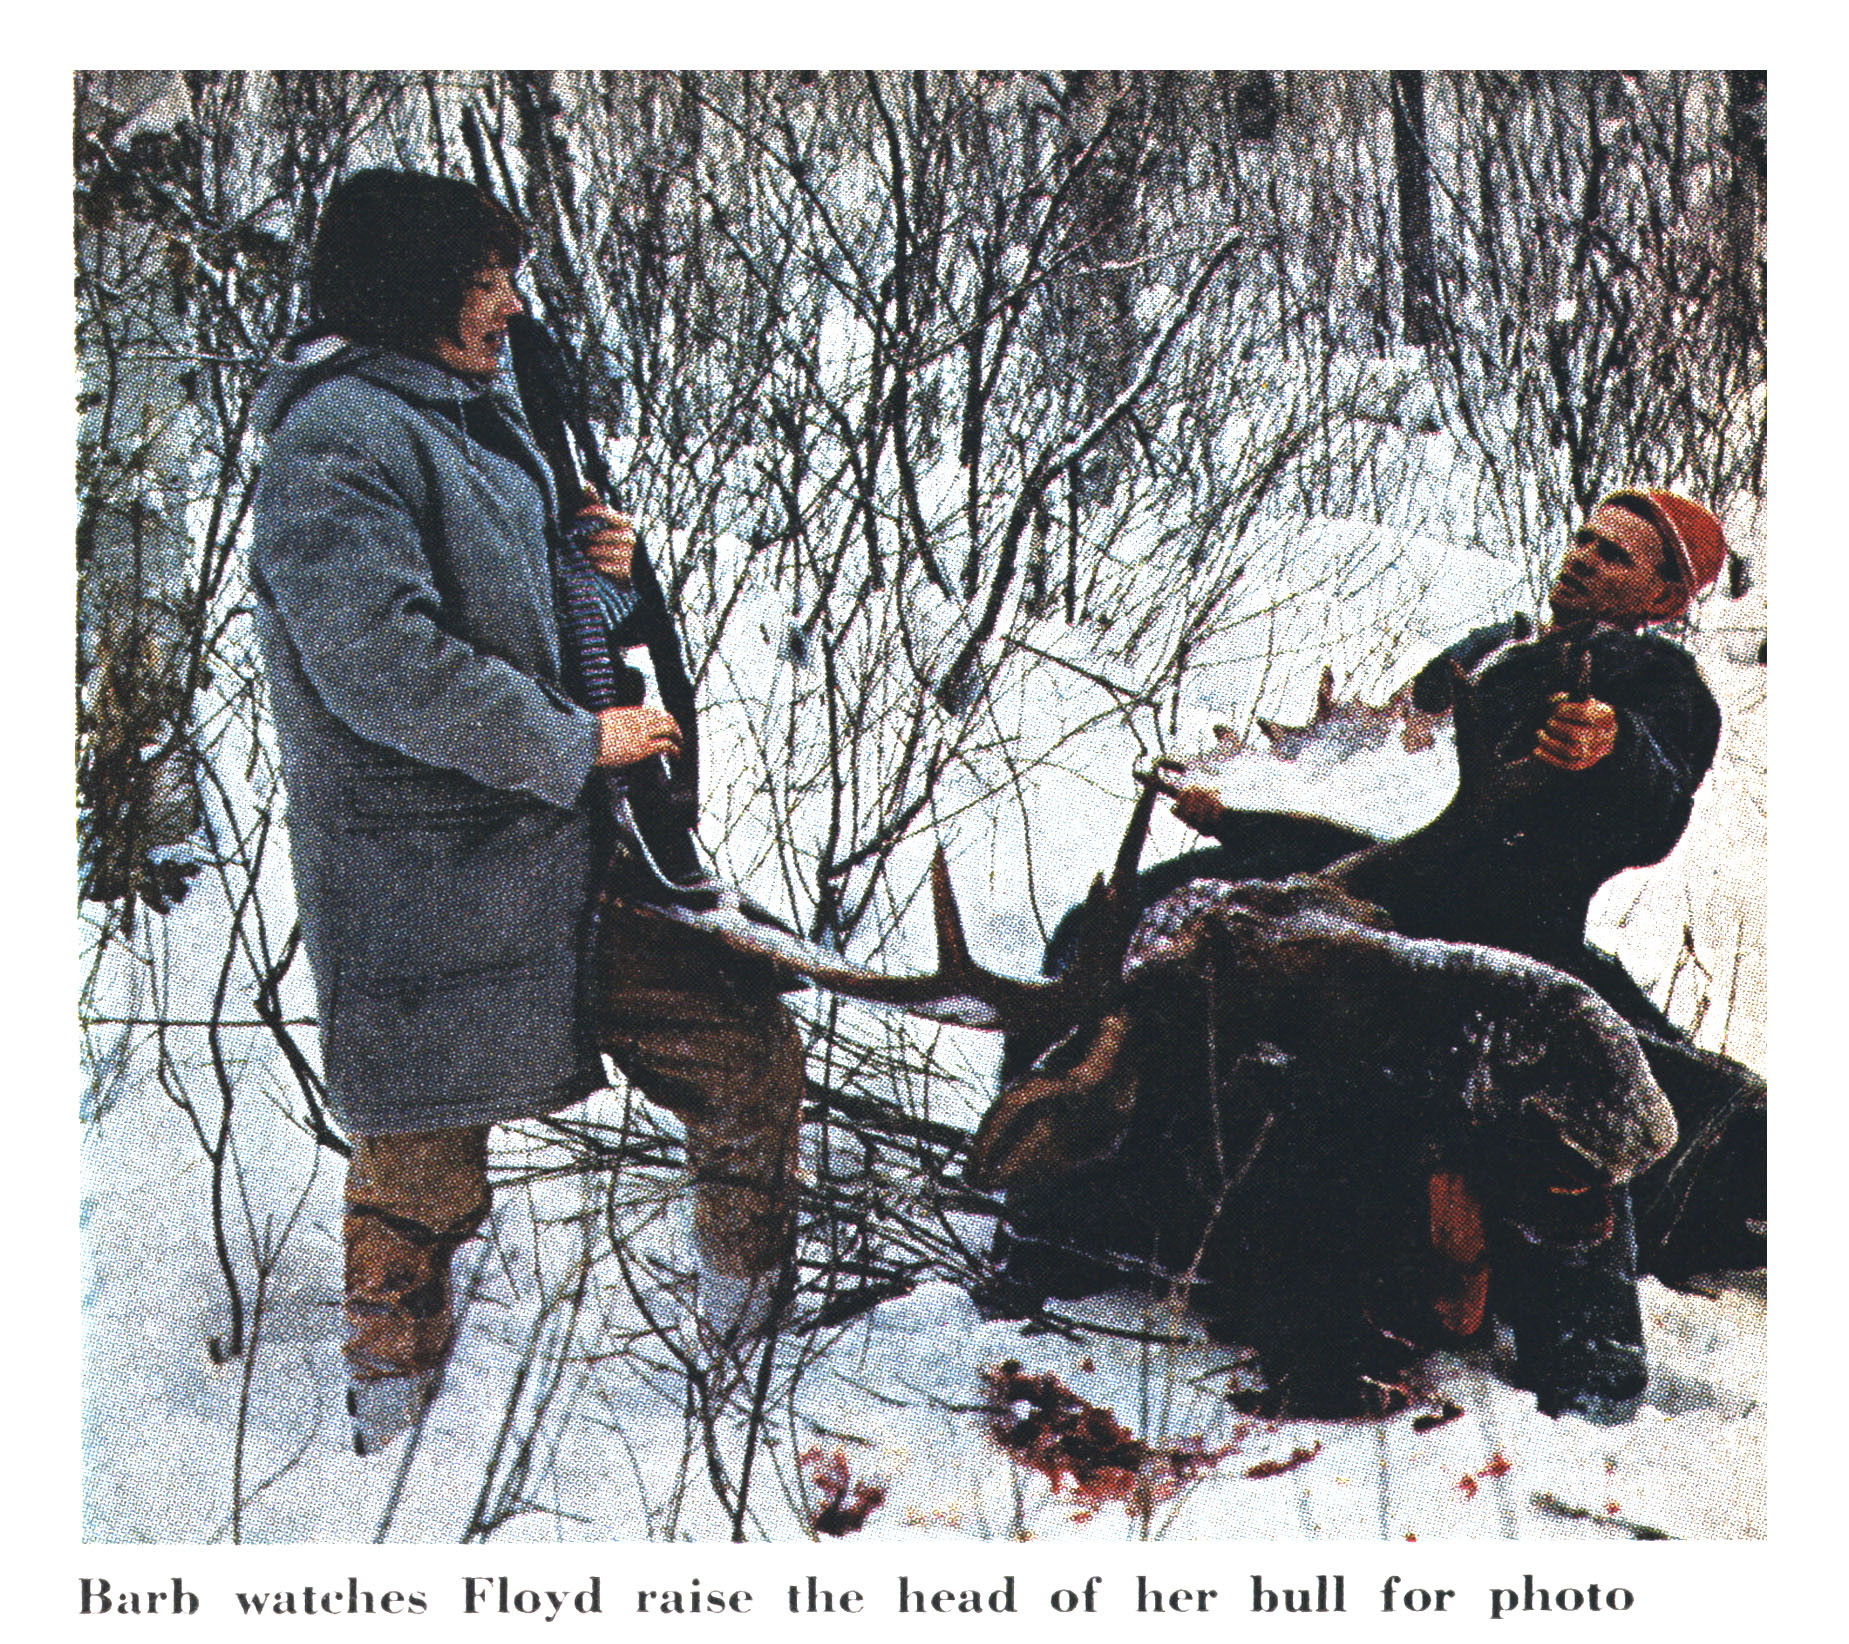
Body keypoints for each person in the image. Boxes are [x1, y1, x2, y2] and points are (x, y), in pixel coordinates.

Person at [249, 170, 802, 1446]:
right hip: (430, 882)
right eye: (483, 278)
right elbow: (383, 663)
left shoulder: (465, 415)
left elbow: (523, 621)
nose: (507, 304)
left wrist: (597, 579)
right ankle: (389, 1436)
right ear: (410, 288)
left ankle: (749, 1361)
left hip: (565, 855)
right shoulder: (337, 440)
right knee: (419, 1173)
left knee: (743, 1050)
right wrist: (576, 738)